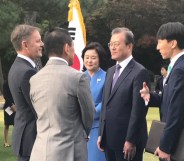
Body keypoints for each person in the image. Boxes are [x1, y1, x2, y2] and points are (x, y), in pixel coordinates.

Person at [29, 27, 94, 161]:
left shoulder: (34, 79)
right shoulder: (77, 77)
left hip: (39, 151)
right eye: (73, 47)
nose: (74, 51)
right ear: (66, 48)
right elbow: (89, 115)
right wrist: (85, 134)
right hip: (69, 151)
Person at [97, 27, 150, 161]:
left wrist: (130, 140)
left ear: (129, 46)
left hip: (127, 142)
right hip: (109, 139)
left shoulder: (139, 72)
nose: (112, 48)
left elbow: (138, 110)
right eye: (111, 44)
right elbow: (105, 104)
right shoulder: (110, 71)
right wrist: (101, 133)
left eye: (117, 44)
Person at [140, 22, 184, 161]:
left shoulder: (179, 70)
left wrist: (165, 146)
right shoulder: (176, 67)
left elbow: (176, 111)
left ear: (173, 43)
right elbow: (169, 99)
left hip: (176, 146)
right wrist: (150, 96)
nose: (157, 47)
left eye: (160, 42)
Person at [8, 24, 44, 161]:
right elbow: (38, 108)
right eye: (38, 40)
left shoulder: (17, 67)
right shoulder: (27, 72)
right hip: (31, 139)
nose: (42, 44)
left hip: (25, 138)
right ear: (25, 44)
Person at [82, 42, 106, 161]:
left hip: (97, 127)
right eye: (86, 58)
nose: (89, 61)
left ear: (100, 59)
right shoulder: (79, 77)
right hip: (80, 128)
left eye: (93, 58)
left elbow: (106, 101)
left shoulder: (107, 77)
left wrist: (90, 112)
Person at [3, 80, 16, 147]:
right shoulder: (6, 83)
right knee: (7, 124)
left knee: (16, 124)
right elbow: (6, 96)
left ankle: (15, 141)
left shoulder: (15, 82)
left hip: (16, 107)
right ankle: (6, 142)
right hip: (8, 107)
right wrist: (12, 105)